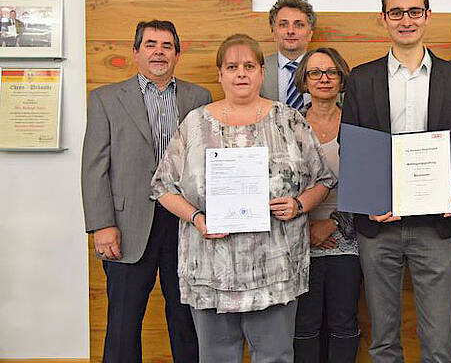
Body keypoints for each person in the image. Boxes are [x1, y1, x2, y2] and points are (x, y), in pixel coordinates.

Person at [150, 34, 334, 363]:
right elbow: (163, 186)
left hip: (275, 266)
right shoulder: (195, 123)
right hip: (210, 267)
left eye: (249, 66)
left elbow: (323, 180)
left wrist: (299, 205)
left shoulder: (289, 120)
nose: (241, 74)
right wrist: (197, 218)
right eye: (232, 67)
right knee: (216, 357)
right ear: (220, 74)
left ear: (262, 72)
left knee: (275, 355)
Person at [341, 0, 451, 363]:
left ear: (428, 16)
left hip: (435, 224)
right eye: (397, 13)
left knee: (439, 343)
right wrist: (368, 201)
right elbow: (351, 145)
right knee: (383, 342)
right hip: (379, 224)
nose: (406, 20)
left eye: (414, 11)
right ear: (384, 19)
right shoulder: (362, 78)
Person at [81, 20, 211, 363]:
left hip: (185, 223)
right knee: (123, 323)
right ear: (136, 52)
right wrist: (102, 225)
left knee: (187, 321)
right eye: (150, 44)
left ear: (178, 54)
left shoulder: (199, 98)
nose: (158, 52)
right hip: (127, 226)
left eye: (167, 46)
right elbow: (94, 167)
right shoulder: (106, 99)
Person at [293, 47, 361, 363]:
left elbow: (368, 182)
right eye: (315, 72)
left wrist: (332, 223)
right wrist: (304, 227)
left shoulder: (357, 122)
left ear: (341, 79)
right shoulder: (287, 125)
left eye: (332, 72)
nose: (324, 78)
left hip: (346, 237)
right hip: (298, 238)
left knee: (343, 321)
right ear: (304, 80)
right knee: (304, 324)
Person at [261, 0, 316, 109]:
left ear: (310, 33)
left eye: (299, 25)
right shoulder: (258, 69)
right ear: (273, 32)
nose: (290, 31)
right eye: (283, 24)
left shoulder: (327, 71)